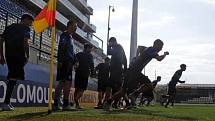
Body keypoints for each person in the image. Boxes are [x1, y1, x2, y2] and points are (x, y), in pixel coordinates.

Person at [104, 39, 169, 111]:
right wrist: (165, 54)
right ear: (156, 44)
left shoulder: (148, 48)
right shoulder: (152, 51)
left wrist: (137, 56)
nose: (161, 49)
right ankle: (110, 102)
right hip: (133, 72)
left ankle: (129, 99)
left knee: (125, 91)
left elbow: (139, 47)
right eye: (160, 47)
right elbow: (159, 59)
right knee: (124, 90)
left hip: (135, 71)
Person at [0, 14, 34, 111]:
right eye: (30, 21)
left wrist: (1, 55)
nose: (31, 24)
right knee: (13, 78)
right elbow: (26, 42)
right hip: (18, 55)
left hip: (9, 55)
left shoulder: (9, 27)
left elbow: (1, 40)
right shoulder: (26, 28)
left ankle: (7, 101)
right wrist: (28, 55)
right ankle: (6, 103)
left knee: (13, 78)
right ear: (25, 20)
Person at [53, 19, 78, 111]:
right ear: (70, 26)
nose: (76, 28)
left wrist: (75, 61)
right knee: (65, 82)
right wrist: (60, 60)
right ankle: (64, 104)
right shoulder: (65, 35)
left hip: (69, 63)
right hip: (65, 62)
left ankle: (58, 103)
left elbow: (72, 52)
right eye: (75, 26)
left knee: (64, 83)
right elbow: (61, 48)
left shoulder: (70, 38)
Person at [103, 37, 128, 109]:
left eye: (110, 43)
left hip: (116, 71)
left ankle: (107, 102)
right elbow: (125, 59)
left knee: (109, 86)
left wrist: (108, 47)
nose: (109, 44)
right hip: (118, 70)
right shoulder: (120, 48)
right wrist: (125, 69)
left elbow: (109, 52)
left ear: (113, 42)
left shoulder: (117, 47)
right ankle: (126, 102)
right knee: (119, 88)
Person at [74, 43, 94, 109]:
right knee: (82, 89)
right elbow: (92, 65)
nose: (91, 49)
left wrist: (75, 67)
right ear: (87, 48)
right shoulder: (90, 56)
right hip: (85, 74)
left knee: (77, 89)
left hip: (78, 73)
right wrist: (92, 73)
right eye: (90, 48)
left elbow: (74, 62)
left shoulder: (78, 54)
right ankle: (76, 100)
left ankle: (76, 103)